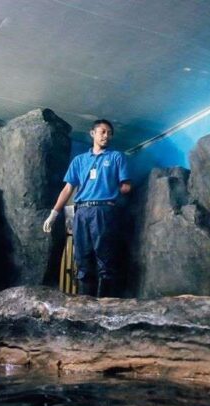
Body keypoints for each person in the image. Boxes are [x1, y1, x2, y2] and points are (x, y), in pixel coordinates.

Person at [43, 119, 131, 297]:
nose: (106, 136)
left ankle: (106, 305)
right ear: (93, 133)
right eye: (103, 131)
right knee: (82, 259)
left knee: (105, 259)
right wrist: (54, 214)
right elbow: (68, 188)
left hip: (103, 210)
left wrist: (114, 189)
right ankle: (86, 303)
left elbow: (126, 186)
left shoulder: (116, 157)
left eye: (109, 133)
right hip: (81, 212)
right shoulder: (79, 161)